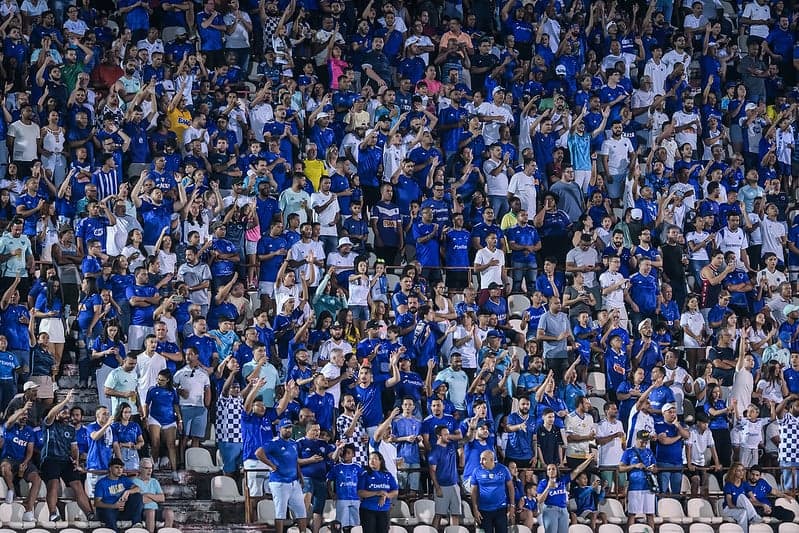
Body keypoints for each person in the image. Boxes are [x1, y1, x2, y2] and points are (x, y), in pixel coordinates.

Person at [256, 418, 307, 533]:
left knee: (301, 510)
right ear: (279, 429)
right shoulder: (274, 443)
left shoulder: (294, 443)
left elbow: (295, 461)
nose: (288, 430)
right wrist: (271, 465)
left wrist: (301, 476)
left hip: (294, 482)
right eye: (285, 428)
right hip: (279, 482)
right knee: (280, 512)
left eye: (290, 427)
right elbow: (258, 453)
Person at [536, 453, 596, 533]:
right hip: (550, 510)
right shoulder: (543, 483)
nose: (551, 471)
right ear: (546, 472)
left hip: (563, 510)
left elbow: (577, 470)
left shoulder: (562, 480)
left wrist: (589, 460)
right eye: (549, 469)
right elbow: (540, 500)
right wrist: (548, 488)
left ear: (557, 471)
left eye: (553, 469)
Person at [619, 430, 658, 531]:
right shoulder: (629, 452)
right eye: (642, 441)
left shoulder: (649, 452)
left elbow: (656, 468)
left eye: (646, 441)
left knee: (650, 513)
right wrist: (634, 466)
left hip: (648, 486)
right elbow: (620, 468)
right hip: (635, 487)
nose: (644, 443)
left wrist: (653, 469)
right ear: (637, 439)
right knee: (632, 513)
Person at [94, 457, 144, 531]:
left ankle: (136, 524)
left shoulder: (124, 479)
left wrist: (128, 492)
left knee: (137, 496)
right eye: (116, 467)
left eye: (121, 467)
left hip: (122, 510)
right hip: (108, 510)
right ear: (110, 469)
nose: (120, 470)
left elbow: (138, 488)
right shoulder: (101, 483)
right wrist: (114, 506)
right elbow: (97, 503)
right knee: (108, 512)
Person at [470, 450, 514, 533]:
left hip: (500, 509)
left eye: (483, 459)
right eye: (480, 459)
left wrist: (512, 505)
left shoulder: (503, 469)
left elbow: (511, 487)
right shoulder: (477, 471)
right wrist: (475, 509)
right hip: (484, 510)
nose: (480, 462)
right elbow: (473, 492)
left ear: (491, 460)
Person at [357, 451, 399, 533]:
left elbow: (395, 491)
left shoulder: (388, 475)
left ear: (380, 461)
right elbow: (360, 492)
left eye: (375, 459)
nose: (372, 461)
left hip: (384, 510)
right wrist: (376, 493)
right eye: (370, 459)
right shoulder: (365, 475)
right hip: (368, 510)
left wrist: (386, 495)